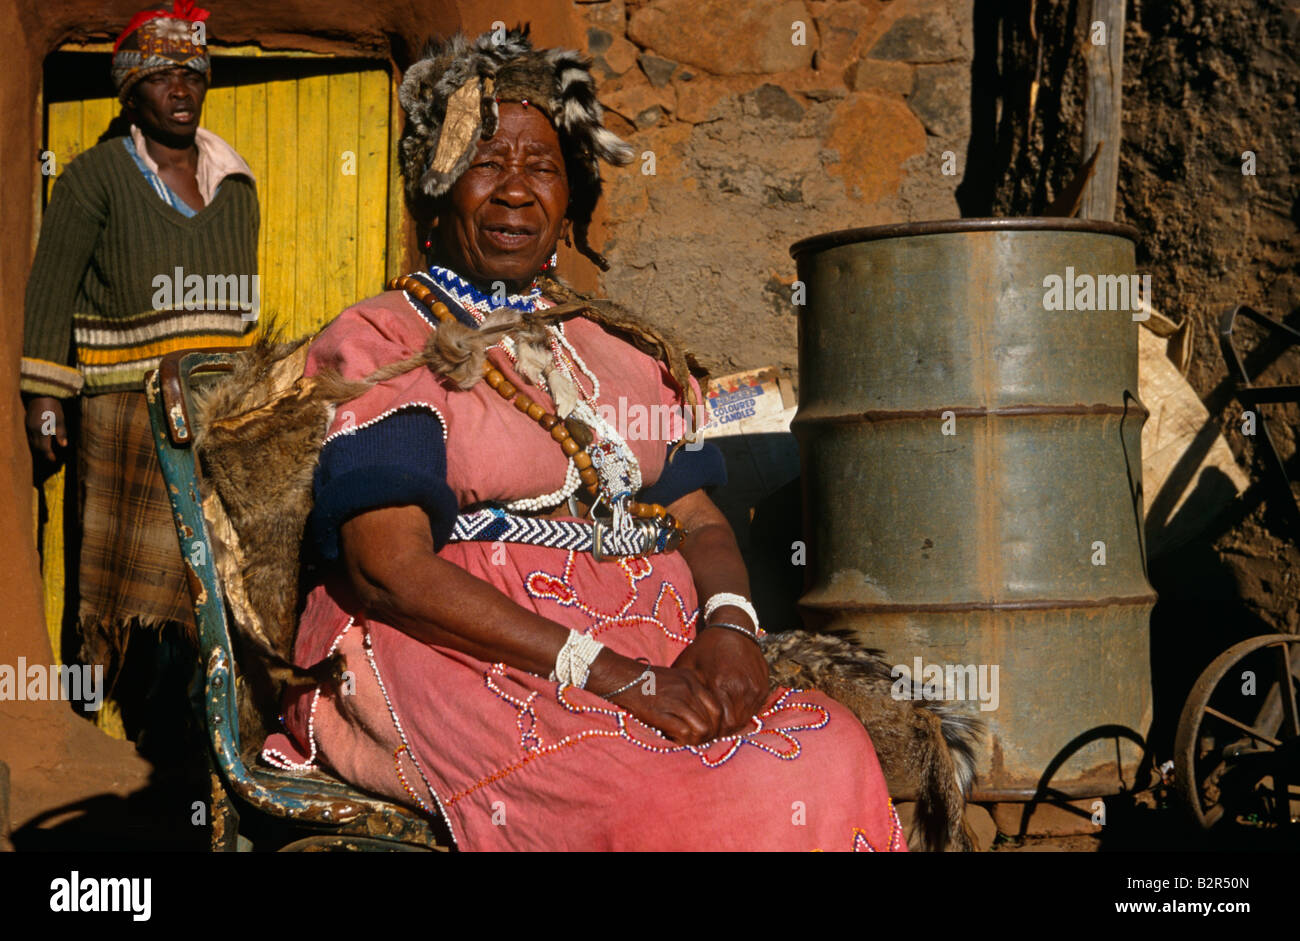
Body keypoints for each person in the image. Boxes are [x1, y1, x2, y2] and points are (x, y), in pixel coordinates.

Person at [259, 27, 904, 851]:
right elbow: (388, 569)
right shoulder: (390, 341)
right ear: (438, 185)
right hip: (474, 661)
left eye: (543, 167)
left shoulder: (614, 348)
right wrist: (616, 677)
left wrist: (734, 627)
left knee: (832, 751)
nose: (517, 191)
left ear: (571, 197)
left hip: (657, 644)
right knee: (662, 805)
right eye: (488, 162)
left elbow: (699, 516)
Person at [20, 0, 259, 745]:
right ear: (131, 91)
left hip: (216, 415)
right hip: (125, 416)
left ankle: (199, 737)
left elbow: (242, 310)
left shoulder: (235, 184)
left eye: (192, 74)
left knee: (211, 582)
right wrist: (45, 398)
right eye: (162, 77)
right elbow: (50, 293)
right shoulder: (94, 179)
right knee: (115, 589)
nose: (181, 90)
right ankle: (93, 732)